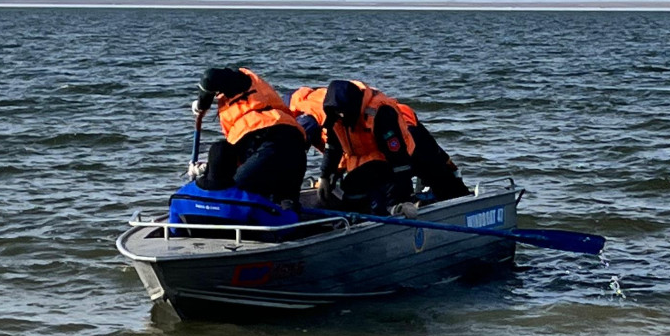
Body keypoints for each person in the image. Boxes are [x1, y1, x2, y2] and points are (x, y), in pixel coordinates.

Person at [289, 79, 470, 212]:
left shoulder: (380, 115)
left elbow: (399, 163)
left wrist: (402, 200)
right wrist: (326, 177)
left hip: (405, 147)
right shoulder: (334, 113)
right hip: (369, 160)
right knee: (353, 191)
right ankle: (362, 219)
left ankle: (460, 203)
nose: (341, 118)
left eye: (343, 114)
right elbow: (333, 147)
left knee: (439, 176)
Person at [193, 66, 307, 204]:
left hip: (269, 141)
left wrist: (202, 103)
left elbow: (209, 77)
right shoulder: (252, 90)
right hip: (294, 145)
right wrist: (206, 168)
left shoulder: (239, 80)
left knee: (230, 192)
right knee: (282, 205)